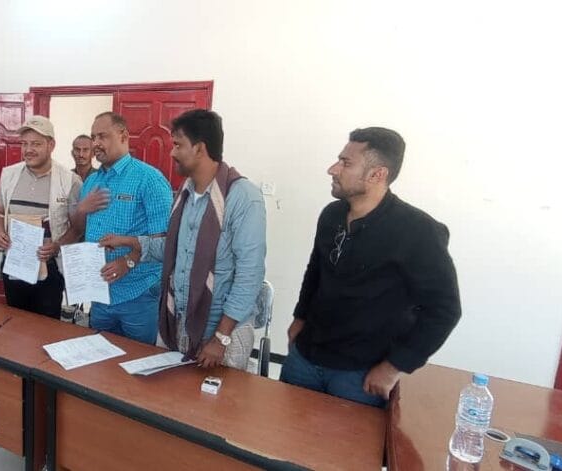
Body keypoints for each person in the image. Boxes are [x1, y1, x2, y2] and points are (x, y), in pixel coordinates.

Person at [280, 127, 461, 407]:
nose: (333, 169)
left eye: (346, 163)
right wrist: (299, 318)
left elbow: (445, 309)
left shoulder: (418, 231)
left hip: (360, 375)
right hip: (305, 358)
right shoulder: (332, 215)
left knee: (345, 438)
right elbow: (315, 271)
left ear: (377, 174)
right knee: (282, 429)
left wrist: (395, 366)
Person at [100, 110, 265, 369]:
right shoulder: (186, 193)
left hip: (222, 332)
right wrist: (133, 243)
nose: (172, 153)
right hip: (180, 322)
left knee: (216, 395)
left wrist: (221, 338)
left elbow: (249, 275)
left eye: (178, 145)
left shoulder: (242, 197)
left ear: (199, 149)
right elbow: (177, 249)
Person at [71, 112, 172, 344]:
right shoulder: (92, 181)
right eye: (94, 137)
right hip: (99, 292)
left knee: (137, 360)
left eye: (102, 136)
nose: (96, 143)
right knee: (100, 356)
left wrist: (128, 261)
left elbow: (165, 243)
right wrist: (81, 209)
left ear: (123, 136)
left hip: (138, 292)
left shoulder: (150, 179)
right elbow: (78, 229)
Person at [0, 116, 82, 318]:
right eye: (24, 144)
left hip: (49, 268)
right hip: (14, 264)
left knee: (46, 327)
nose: (28, 150)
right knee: (15, 322)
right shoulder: (8, 175)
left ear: (51, 145)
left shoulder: (70, 181)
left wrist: (57, 245)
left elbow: (78, 228)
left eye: (36, 144)